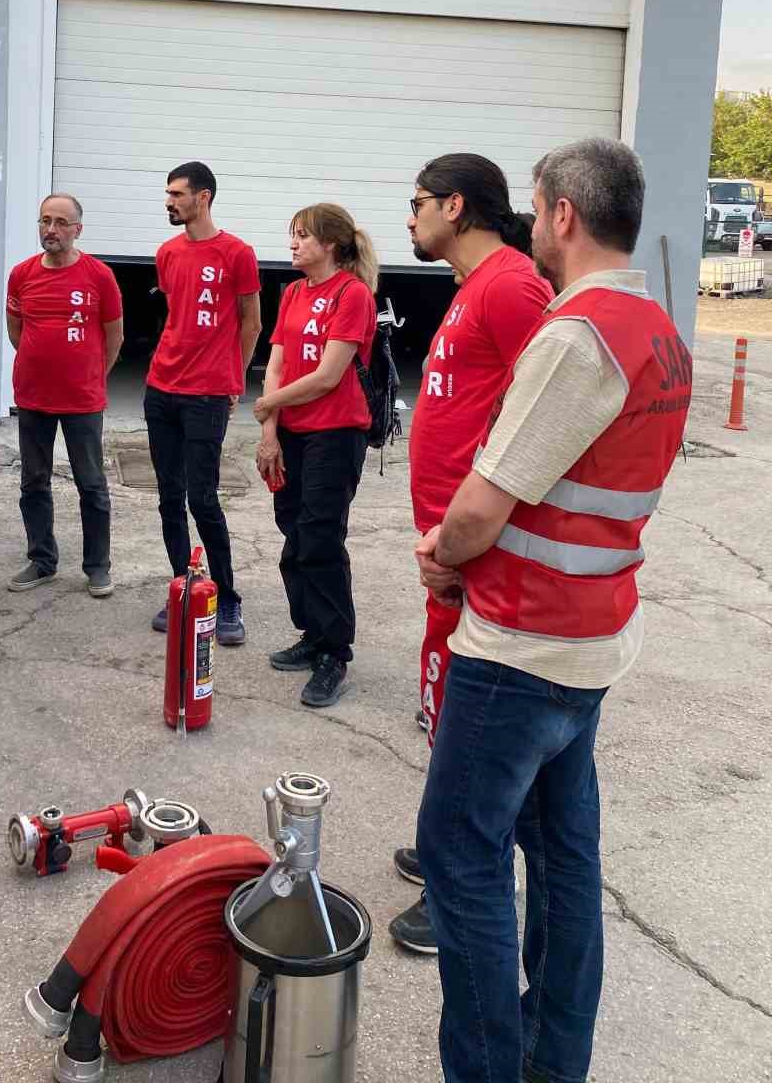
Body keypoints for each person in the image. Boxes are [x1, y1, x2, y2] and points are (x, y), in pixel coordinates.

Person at [414, 138, 691, 1083]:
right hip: (591, 642)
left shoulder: (577, 336)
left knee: (463, 859)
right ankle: (551, 1060)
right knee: (565, 860)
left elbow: (484, 505)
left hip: (521, 649)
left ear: (564, 216)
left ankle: (494, 1069)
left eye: (536, 209)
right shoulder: (659, 329)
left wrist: (443, 558)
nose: (531, 225)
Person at [388, 155, 552, 955]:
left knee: (474, 726)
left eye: (417, 202)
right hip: (449, 550)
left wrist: (471, 537)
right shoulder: (474, 287)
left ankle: (462, 887)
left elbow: (546, 419)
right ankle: (444, 844)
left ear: (455, 205)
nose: (409, 216)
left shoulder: (513, 286)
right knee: (446, 710)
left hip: (476, 555)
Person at [253, 204, 378, 708]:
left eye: (302, 236)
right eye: (293, 236)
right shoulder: (291, 294)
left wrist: (269, 405)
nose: (294, 244)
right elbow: (275, 366)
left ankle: (334, 653)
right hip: (292, 433)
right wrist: (269, 430)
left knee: (321, 540)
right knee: (294, 534)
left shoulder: (353, 295)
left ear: (330, 244)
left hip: (335, 434)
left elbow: (329, 376)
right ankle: (310, 632)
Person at [145, 161, 260, 646]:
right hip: (161, 388)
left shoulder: (237, 252)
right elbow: (178, 314)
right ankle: (184, 589)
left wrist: (233, 382)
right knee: (169, 497)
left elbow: (250, 323)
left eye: (177, 193)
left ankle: (227, 598)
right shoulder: (167, 253)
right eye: (167, 194)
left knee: (204, 499)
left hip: (207, 394)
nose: (169, 201)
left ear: (203, 197)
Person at [5, 193, 123, 596]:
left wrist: (89, 375)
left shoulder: (99, 276)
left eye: (60, 222)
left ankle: (97, 568)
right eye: (44, 221)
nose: (51, 230)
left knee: (91, 484)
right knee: (33, 482)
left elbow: (114, 337)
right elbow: (16, 330)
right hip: (33, 397)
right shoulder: (21, 274)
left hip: (82, 401)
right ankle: (42, 560)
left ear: (78, 230)